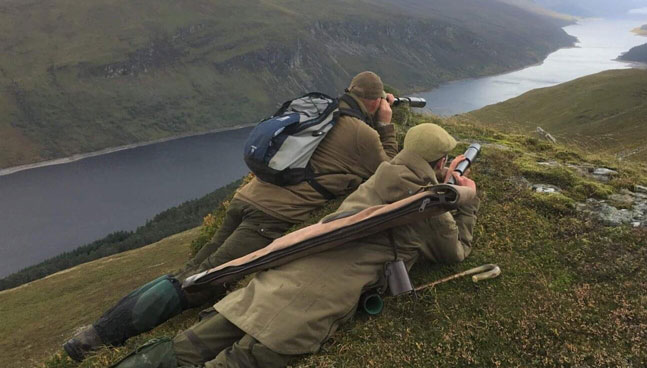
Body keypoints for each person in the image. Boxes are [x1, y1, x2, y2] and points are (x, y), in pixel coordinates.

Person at [63, 71, 400, 362]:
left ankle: (98, 332)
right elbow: (390, 172)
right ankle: (95, 339)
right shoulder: (363, 135)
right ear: (373, 101)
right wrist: (386, 125)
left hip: (246, 199)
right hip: (268, 217)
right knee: (197, 284)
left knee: (188, 273)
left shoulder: (322, 113)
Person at [111, 123, 480, 368]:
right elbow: (455, 252)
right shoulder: (428, 207)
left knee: (188, 344)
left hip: (271, 287)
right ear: (442, 162)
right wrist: (467, 198)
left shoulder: (376, 180)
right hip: (302, 317)